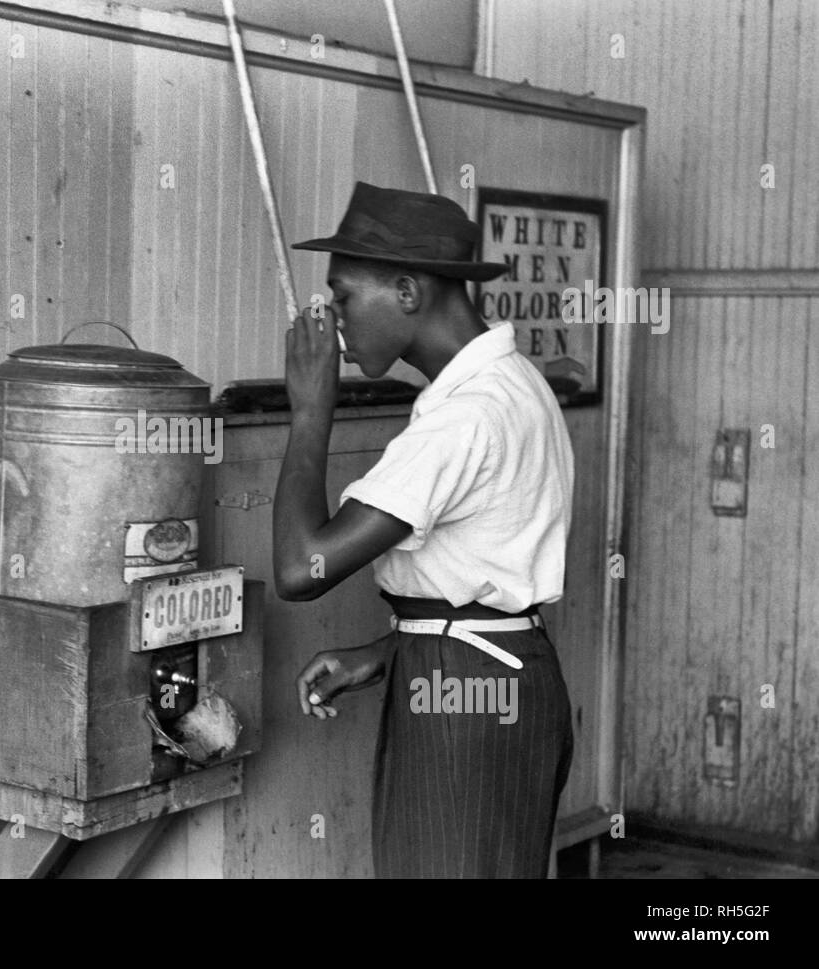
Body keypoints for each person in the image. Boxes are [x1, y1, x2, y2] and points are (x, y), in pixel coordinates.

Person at [272, 182, 575, 878]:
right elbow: (486, 576)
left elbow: (300, 567)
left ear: (407, 291)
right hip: (495, 672)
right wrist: (393, 649)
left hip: (466, 694)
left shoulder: (466, 416)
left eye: (343, 297)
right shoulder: (514, 382)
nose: (335, 321)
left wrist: (311, 410)